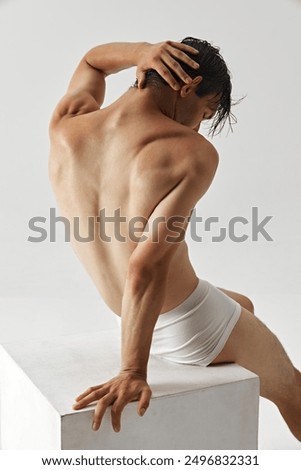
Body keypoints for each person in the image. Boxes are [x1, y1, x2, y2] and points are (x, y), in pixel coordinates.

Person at [49, 38, 301, 440]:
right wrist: (132, 370)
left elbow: (92, 63)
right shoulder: (191, 152)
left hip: (128, 316)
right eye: (203, 112)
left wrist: (142, 52)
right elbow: (145, 265)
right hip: (187, 325)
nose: (197, 126)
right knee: (294, 390)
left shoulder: (67, 124)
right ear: (188, 86)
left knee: (244, 305)